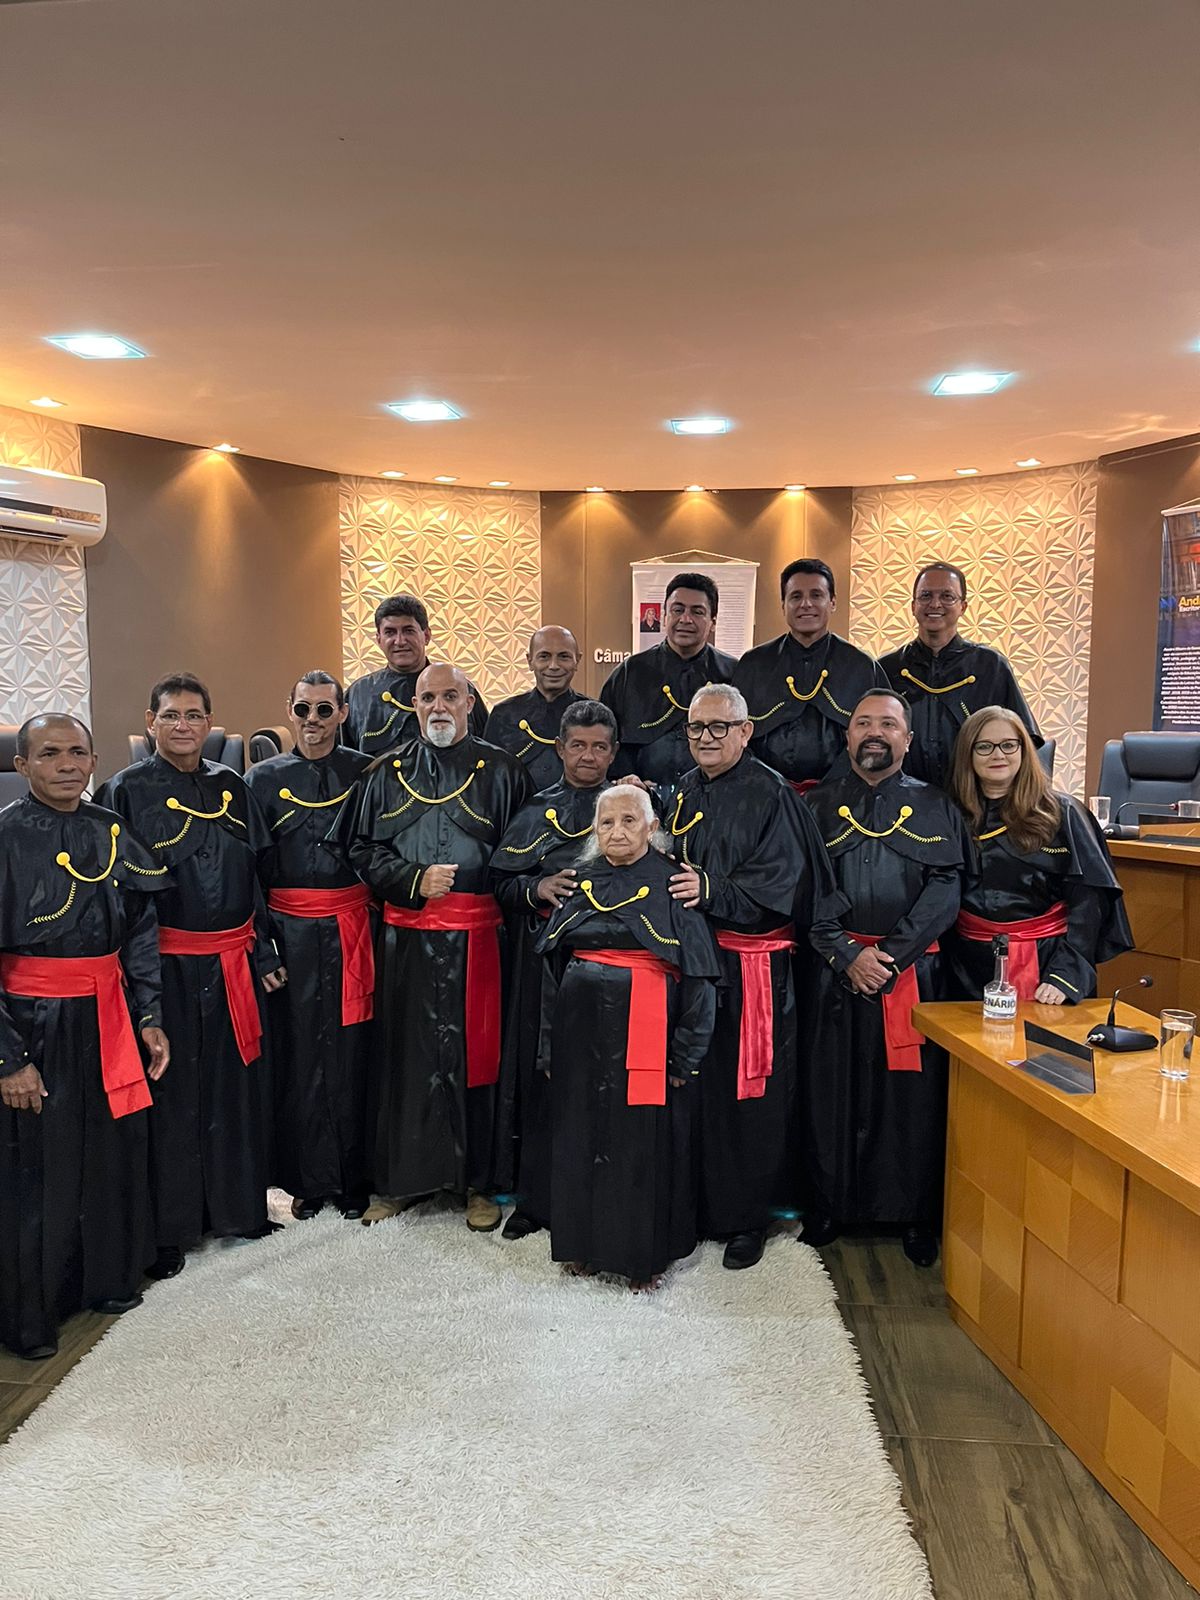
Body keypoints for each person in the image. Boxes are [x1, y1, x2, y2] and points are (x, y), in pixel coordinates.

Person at [94, 674, 285, 1280]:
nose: (183, 725)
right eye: (171, 715)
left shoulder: (232, 785)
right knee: (171, 1094)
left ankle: (239, 1212)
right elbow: (121, 898)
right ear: (150, 722)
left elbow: (256, 878)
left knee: (234, 1089)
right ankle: (171, 1229)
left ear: (210, 722)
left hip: (233, 962)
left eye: (194, 715)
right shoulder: (122, 792)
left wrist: (265, 953)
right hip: (165, 968)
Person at [334, 662, 529, 1231]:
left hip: (481, 946)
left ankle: (479, 1186)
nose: (439, 706)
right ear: (413, 705)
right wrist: (412, 878)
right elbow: (360, 850)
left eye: (450, 696)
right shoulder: (382, 773)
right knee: (404, 1061)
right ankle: (398, 1183)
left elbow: (528, 857)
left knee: (477, 1063)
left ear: (469, 702)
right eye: (428, 698)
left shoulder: (505, 770)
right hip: (406, 946)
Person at [0, 714, 170, 1359]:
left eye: (79, 752)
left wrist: (149, 1016)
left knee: (108, 1153)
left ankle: (106, 1281)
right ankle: (31, 1315)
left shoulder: (110, 829)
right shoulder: (6, 836)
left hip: (109, 1015)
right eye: (51, 754)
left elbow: (141, 930)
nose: (68, 764)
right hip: (33, 1026)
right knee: (38, 1170)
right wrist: (8, 1059)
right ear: (23, 766)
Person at [659, 683, 839, 1269]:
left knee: (749, 1095)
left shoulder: (773, 794)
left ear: (745, 731)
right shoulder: (682, 790)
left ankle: (746, 1219)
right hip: (691, 967)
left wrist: (712, 892)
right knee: (694, 1087)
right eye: (695, 728)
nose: (705, 739)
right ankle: (699, 1207)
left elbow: (783, 887)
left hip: (751, 970)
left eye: (718, 728)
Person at [801, 691, 966, 1267]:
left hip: (910, 974)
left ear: (907, 739)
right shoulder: (815, 806)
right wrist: (847, 952)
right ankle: (828, 1204)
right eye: (863, 722)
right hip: (834, 972)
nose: (875, 732)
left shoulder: (937, 804)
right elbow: (803, 893)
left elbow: (947, 886)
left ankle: (912, 1213)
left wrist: (891, 955)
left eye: (888, 724)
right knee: (829, 1089)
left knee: (909, 1099)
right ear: (846, 737)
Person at [536, 785, 718, 1289]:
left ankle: (642, 1257)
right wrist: (549, 1046)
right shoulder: (578, 881)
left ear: (652, 827)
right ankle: (582, 1244)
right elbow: (551, 972)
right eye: (606, 823)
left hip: (647, 1023)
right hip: (579, 1027)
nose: (617, 832)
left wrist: (685, 1058)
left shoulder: (675, 884)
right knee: (580, 1134)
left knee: (641, 1140)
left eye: (629, 822)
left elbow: (702, 981)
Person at [245, 671, 375, 1221]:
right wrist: (264, 950)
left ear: (343, 713)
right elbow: (247, 872)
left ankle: (356, 1177)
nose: (314, 722)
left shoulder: (367, 772)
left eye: (326, 711)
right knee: (298, 1058)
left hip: (355, 931)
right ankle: (306, 1180)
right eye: (304, 710)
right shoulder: (260, 779)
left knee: (355, 1055)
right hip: (289, 935)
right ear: (289, 712)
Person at [490, 699, 619, 1239]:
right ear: (560, 748)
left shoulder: (631, 808)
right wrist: (534, 887)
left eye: (599, 746)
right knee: (542, 1082)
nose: (587, 756)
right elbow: (500, 885)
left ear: (613, 752)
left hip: (615, 976)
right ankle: (536, 1201)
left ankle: (608, 1194)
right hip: (546, 971)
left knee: (607, 1082)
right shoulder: (533, 809)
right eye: (578, 745)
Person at [944, 706, 1133, 1003]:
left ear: (1024, 750)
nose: (998, 755)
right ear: (967, 753)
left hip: (1046, 966)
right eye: (984, 746)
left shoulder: (1062, 812)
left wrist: (1065, 975)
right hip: (964, 968)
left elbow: (1089, 903)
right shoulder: (949, 815)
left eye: (1009, 745)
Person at [878, 562, 1041, 785]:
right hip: (904, 800)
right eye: (926, 596)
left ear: (963, 607)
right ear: (913, 606)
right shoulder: (887, 669)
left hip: (974, 799)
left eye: (947, 596)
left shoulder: (990, 666)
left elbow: (1024, 740)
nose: (935, 604)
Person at [734, 559, 886, 792]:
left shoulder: (862, 666)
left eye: (816, 595)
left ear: (832, 602)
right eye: (795, 596)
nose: (806, 604)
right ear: (783, 604)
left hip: (844, 794)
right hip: (764, 794)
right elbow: (736, 738)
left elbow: (879, 739)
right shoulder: (753, 664)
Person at [599, 572, 738, 784]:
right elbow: (604, 737)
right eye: (677, 610)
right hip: (642, 799)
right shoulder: (629, 673)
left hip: (715, 797)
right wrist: (623, 779)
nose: (685, 619)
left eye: (697, 611)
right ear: (664, 617)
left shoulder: (733, 674)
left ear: (713, 622)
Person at [343, 593, 488, 752]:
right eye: (390, 632)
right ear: (379, 639)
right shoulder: (358, 695)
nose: (400, 641)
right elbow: (345, 761)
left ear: (426, 636)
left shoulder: (460, 690)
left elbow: (486, 755)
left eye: (408, 631)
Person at [483, 625, 586, 790]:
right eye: (544, 656)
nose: (553, 665)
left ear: (577, 661)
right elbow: (489, 780)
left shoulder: (593, 715)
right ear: (530, 661)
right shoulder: (503, 715)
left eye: (564, 657)